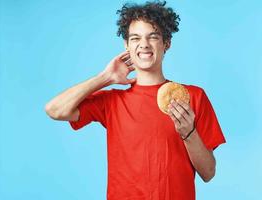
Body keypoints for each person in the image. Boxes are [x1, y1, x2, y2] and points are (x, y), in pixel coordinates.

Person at [45, 1, 226, 199]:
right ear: (127, 45)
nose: (144, 44)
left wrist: (189, 133)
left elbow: (208, 173)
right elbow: (55, 110)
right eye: (135, 38)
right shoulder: (112, 101)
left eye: (153, 36)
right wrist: (104, 78)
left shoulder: (193, 97)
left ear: (167, 43)